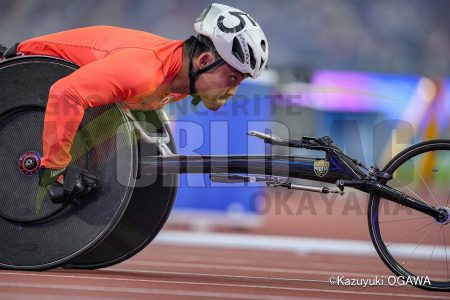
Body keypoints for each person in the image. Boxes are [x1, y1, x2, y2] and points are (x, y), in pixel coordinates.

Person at [1, 3, 269, 201]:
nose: (233, 90)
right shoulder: (143, 71)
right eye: (232, 78)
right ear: (204, 61)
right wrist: (55, 171)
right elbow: (65, 94)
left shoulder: (177, 83)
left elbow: (112, 113)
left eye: (241, 82)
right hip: (17, 80)